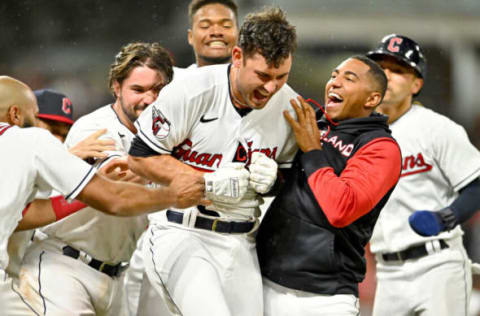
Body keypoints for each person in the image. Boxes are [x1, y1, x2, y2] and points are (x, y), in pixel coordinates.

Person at [127, 7, 298, 316]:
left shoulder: (290, 106)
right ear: (237, 56)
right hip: (182, 232)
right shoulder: (192, 89)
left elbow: (287, 185)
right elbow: (140, 156)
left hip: (242, 242)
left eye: (280, 77)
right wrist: (204, 181)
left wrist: (275, 182)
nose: (271, 87)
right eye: (262, 75)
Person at [0, 75, 207, 315]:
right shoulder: (29, 140)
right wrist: (174, 195)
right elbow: (116, 199)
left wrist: (78, 181)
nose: (39, 126)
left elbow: (23, 213)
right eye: (35, 116)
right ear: (15, 114)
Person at [17, 42, 177, 316]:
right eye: (137, 90)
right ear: (116, 87)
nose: (149, 99)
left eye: (158, 90)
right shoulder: (96, 127)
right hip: (65, 267)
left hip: (116, 277)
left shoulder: (166, 134)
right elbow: (118, 184)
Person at [256, 55, 402, 315]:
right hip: (266, 279)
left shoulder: (380, 148)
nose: (334, 83)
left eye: (349, 78)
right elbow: (297, 188)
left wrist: (312, 150)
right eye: (334, 75)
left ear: (372, 99)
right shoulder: (314, 122)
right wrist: (271, 179)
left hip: (324, 296)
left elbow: (341, 208)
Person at [124, 2, 240, 314]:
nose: (216, 30)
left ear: (239, 35)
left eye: (225, 24)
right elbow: (132, 144)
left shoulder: (262, 94)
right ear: (190, 36)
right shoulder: (167, 88)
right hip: (168, 229)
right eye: (205, 24)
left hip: (235, 239)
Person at [366, 34, 480, 316]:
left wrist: (448, 217)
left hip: (437, 265)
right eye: (381, 69)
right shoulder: (358, 133)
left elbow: (477, 184)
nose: (387, 76)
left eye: (399, 70)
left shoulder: (437, 129)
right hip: (387, 271)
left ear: (417, 83)